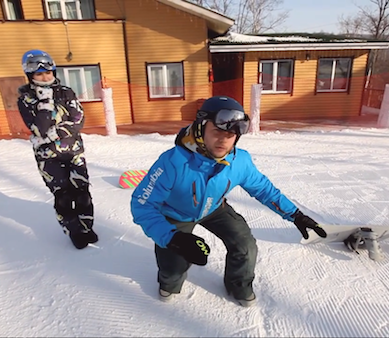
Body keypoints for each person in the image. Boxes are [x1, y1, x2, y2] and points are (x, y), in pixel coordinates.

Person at [130, 96, 327, 307]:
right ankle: (169, 281)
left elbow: (264, 190)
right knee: (174, 265)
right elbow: (142, 205)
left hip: (214, 208)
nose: (224, 141)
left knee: (245, 245)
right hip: (175, 214)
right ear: (201, 128)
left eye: (231, 135)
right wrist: (172, 238)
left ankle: (239, 285)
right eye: (217, 132)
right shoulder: (173, 162)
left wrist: (295, 215)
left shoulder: (239, 161)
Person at [17, 49, 98, 249]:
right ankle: (74, 230)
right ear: (30, 75)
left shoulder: (66, 92)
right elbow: (38, 128)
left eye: (48, 72)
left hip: (74, 152)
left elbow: (78, 120)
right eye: (39, 73)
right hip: (48, 157)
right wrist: (45, 102)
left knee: (82, 193)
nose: (45, 77)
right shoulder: (26, 100)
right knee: (63, 196)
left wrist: (51, 135)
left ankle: (86, 227)